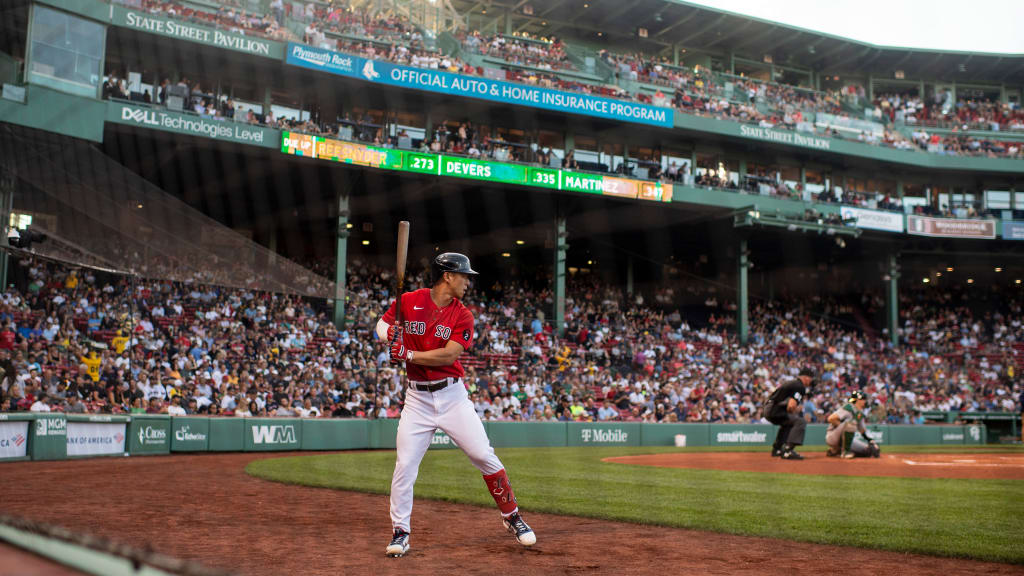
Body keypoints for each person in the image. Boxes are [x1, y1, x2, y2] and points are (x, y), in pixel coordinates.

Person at [376, 252, 535, 557]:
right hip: (417, 399)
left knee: (482, 454)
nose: (468, 282)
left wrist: (407, 354)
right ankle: (401, 532)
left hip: (452, 397)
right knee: (405, 466)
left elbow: (448, 356)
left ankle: (512, 516)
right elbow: (382, 327)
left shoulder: (463, 314)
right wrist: (391, 335)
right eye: (464, 276)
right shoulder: (409, 301)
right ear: (447, 276)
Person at [764, 367, 814, 460]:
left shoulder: (793, 383)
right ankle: (788, 450)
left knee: (787, 424)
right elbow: (791, 406)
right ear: (806, 378)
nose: (811, 381)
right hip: (775, 409)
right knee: (800, 422)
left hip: (769, 408)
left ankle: (777, 449)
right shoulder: (800, 386)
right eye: (811, 378)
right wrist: (796, 411)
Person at [825, 390, 880, 458]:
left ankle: (836, 450)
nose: (866, 401)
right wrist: (843, 428)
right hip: (832, 436)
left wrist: (871, 441)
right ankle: (845, 453)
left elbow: (862, 431)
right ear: (858, 400)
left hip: (844, 440)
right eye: (864, 399)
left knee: (867, 450)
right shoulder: (849, 407)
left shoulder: (860, 413)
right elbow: (831, 418)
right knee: (851, 423)